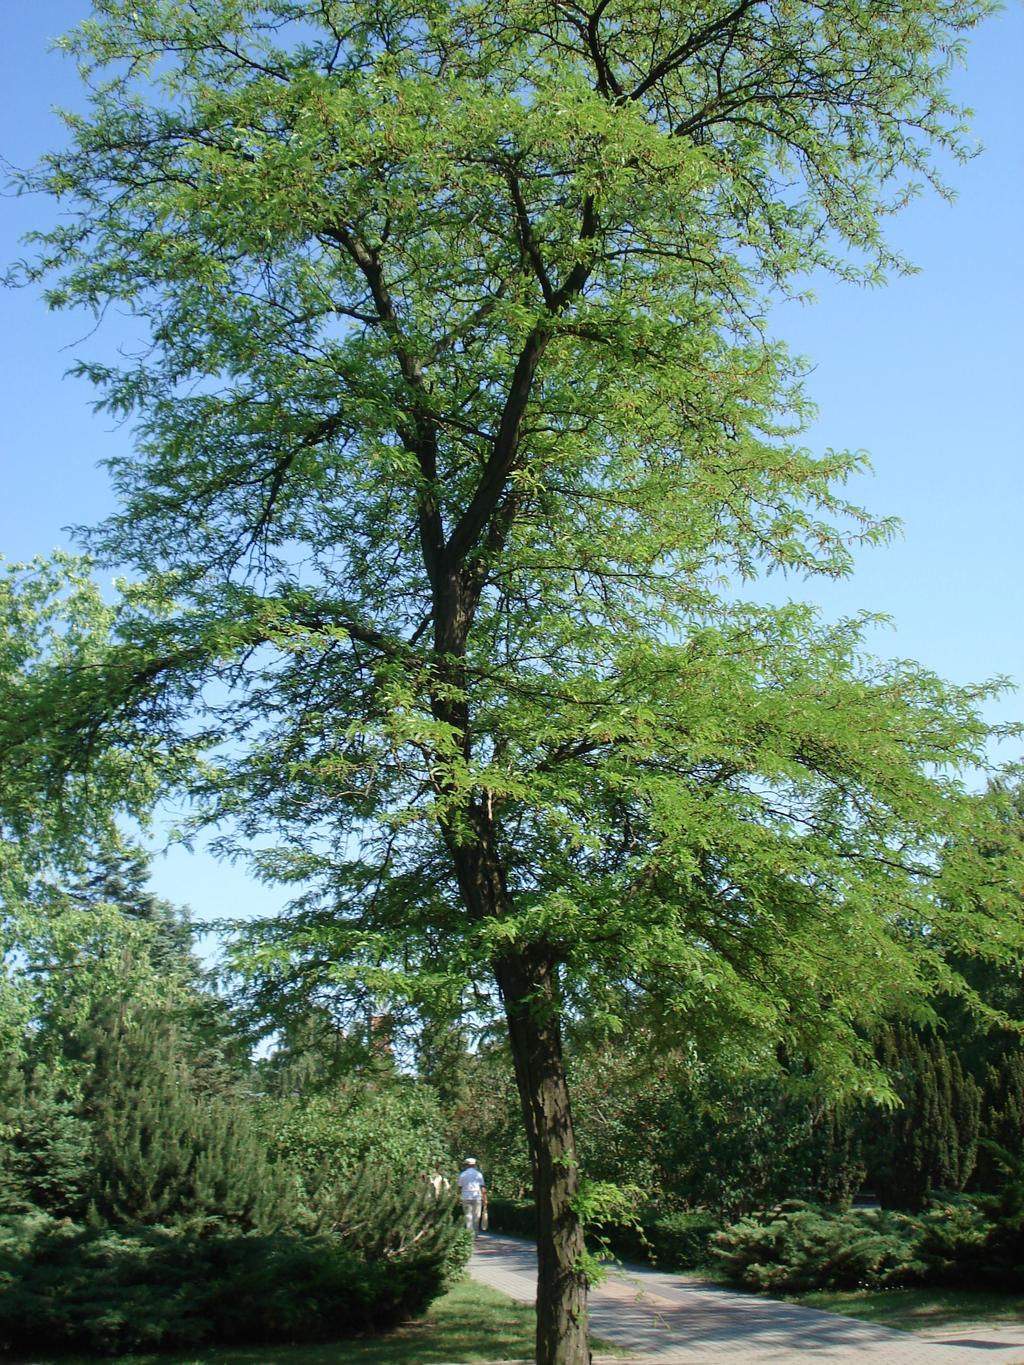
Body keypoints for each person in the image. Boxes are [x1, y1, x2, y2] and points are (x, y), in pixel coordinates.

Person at [457, 1156, 486, 1233]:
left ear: (466, 1165)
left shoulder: (462, 1174)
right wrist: (485, 1198)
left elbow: (459, 1187)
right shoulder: (479, 1174)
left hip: (465, 1196)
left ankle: (469, 1232)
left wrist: (457, 1197)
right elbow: (482, 1187)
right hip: (476, 1196)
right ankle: (475, 1233)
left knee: (468, 1215)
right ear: (474, 1165)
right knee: (476, 1215)